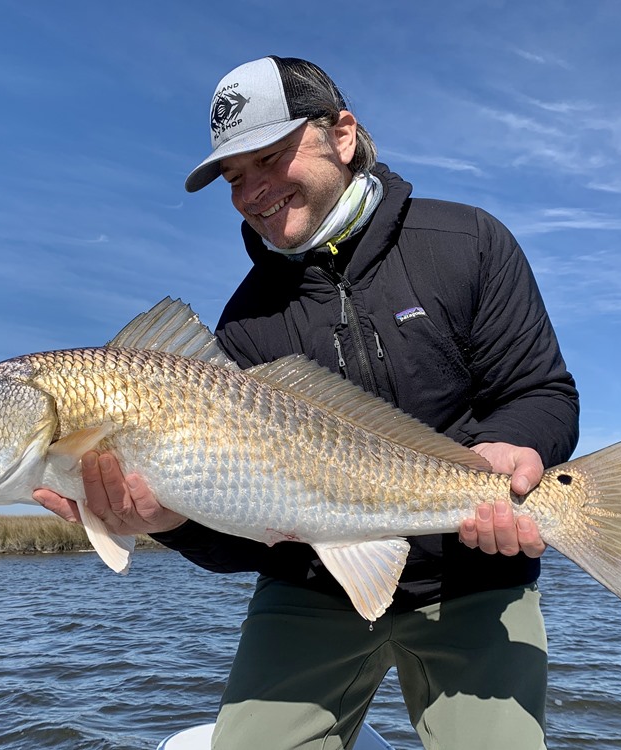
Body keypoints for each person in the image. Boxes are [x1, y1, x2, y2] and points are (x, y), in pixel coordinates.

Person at [35, 56, 579, 749]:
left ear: (342, 136)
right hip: (312, 584)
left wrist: (518, 445)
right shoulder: (241, 329)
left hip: (473, 574)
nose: (252, 191)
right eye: (234, 177)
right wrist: (168, 521)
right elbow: (245, 532)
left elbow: (542, 391)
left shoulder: (467, 244)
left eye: (270, 157)